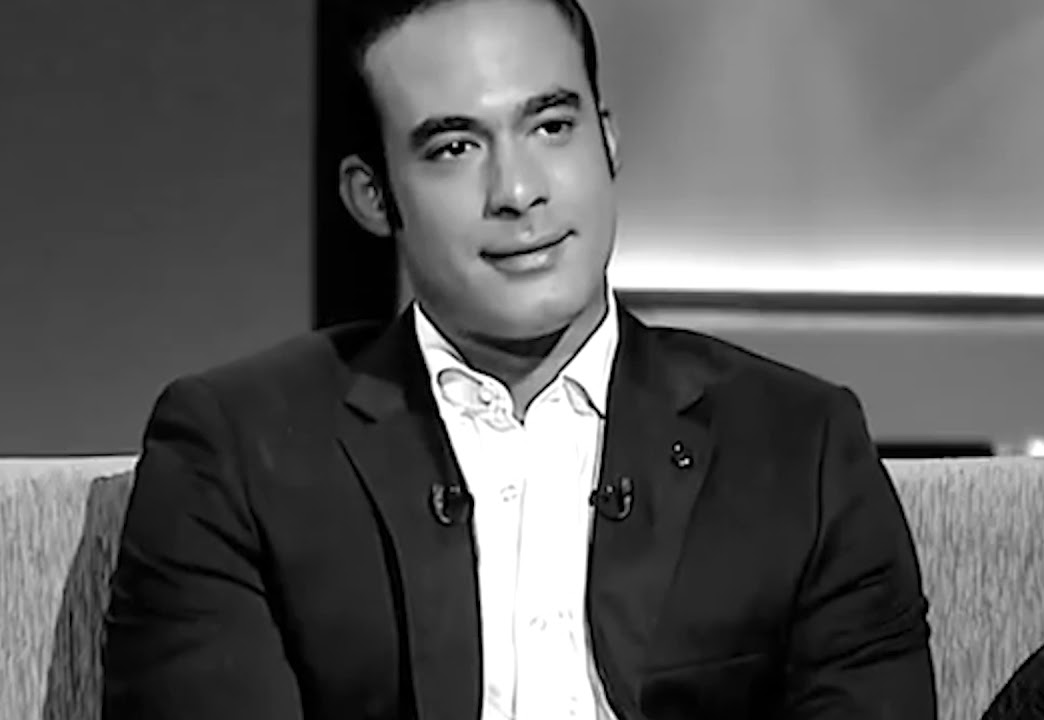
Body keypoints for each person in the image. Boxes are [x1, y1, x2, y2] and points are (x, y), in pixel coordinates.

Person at [101, 0, 937, 717]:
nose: (517, 191)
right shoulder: (237, 453)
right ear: (372, 195)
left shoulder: (799, 446)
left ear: (607, 141)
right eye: (454, 148)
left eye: (551, 127)